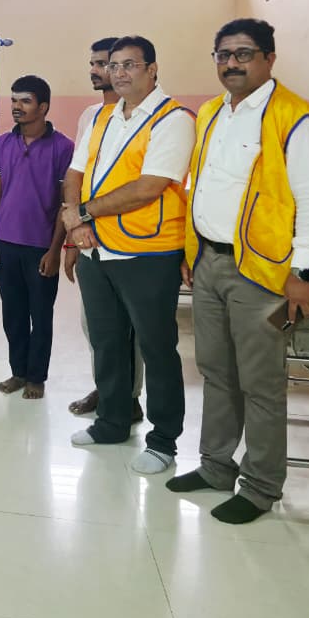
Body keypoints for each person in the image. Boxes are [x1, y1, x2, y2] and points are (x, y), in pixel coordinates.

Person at [168, 18, 309, 523]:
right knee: (216, 371)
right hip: (210, 261)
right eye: (223, 54)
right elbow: (203, 185)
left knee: (260, 383)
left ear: (268, 59)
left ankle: (262, 485)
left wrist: (304, 274)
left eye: (243, 54)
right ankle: (216, 466)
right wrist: (191, 250)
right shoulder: (210, 113)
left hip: (263, 272)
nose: (232, 63)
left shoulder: (295, 120)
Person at [61, 36, 196, 475]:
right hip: (96, 249)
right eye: (113, 65)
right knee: (107, 342)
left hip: (148, 252)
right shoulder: (102, 116)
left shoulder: (173, 120)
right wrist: (77, 223)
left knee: (157, 347)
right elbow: (75, 173)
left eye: (129, 65)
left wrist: (82, 212)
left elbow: (149, 186)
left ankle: (163, 442)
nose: (119, 73)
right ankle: (112, 421)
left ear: (153, 69)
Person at [66, 37, 144, 422]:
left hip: (133, 237)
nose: (97, 71)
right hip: (88, 235)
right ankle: (108, 387)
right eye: (94, 63)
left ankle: (129, 397)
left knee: (130, 327)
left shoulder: (149, 116)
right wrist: (72, 234)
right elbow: (77, 178)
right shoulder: (89, 117)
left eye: (105, 64)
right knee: (95, 323)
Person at [0, 75, 73, 399]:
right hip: (5, 245)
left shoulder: (63, 147)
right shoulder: (2, 144)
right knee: (13, 315)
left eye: (25, 101)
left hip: (40, 249)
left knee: (41, 315)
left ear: (44, 107)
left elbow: (66, 203)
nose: (16, 107)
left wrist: (55, 252)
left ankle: (37, 376)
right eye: (13, 100)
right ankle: (18, 372)